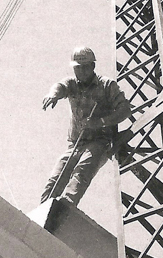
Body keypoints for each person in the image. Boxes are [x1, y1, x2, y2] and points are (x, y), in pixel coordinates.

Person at [41, 46, 131, 206]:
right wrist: (53, 94)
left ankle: (65, 210)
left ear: (92, 67)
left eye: (84, 68)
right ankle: (43, 213)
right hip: (75, 144)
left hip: (99, 142)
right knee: (56, 178)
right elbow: (60, 86)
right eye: (77, 68)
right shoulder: (72, 84)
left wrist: (101, 122)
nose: (81, 72)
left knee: (81, 172)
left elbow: (125, 110)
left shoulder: (107, 85)